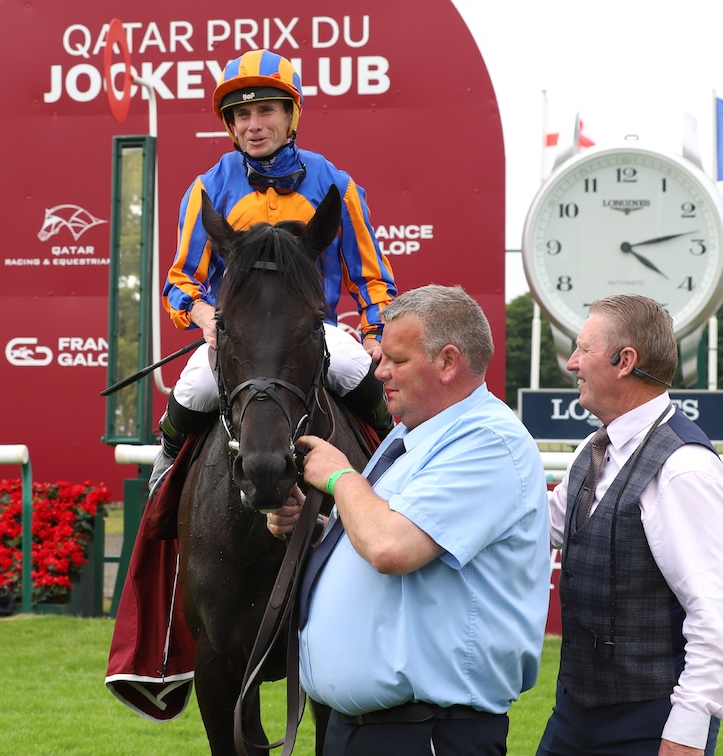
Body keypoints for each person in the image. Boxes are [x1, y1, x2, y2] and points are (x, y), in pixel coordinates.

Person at [268, 285, 550, 755]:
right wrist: (311, 530)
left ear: (448, 362)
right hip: (365, 730)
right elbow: (373, 538)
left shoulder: (488, 441)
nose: (380, 371)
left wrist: (340, 476)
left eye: (397, 360)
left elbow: (390, 546)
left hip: (426, 733)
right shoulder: (413, 435)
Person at [151, 49, 398, 497]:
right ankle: (162, 487)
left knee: (359, 375)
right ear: (231, 125)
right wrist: (205, 317)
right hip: (237, 339)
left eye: (266, 110)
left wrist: (375, 334)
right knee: (193, 390)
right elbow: (181, 282)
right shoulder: (207, 187)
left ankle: (395, 470)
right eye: (242, 115)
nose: (253, 125)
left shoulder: (337, 185)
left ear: (291, 115)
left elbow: (371, 279)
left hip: (313, 334)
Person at [536, 294, 723, 756]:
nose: (572, 363)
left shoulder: (684, 468)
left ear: (625, 361)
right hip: (575, 711)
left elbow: (716, 614)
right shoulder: (593, 448)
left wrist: (687, 731)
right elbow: (541, 526)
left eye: (583, 349)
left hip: (651, 722)